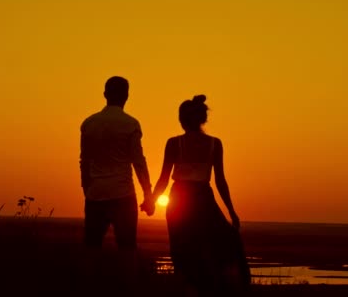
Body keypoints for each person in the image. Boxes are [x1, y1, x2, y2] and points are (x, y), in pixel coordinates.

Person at [149, 95, 251, 296]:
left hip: (180, 198)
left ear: (181, 120)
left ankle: (194, 287)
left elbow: (163, 179)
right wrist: (231, 211)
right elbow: (220, 181)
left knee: (182, 246)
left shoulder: (174, 143)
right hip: (202, 198)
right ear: (202, 119)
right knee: (218, 242)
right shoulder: (214, 143)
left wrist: (152, 200)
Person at [79, 76, 154, 290]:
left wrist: (87, 189)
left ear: (105, 94)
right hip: (123, 195)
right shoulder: (130, 124)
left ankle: (87, 289)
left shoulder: (89, 124)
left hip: (95, 195)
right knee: (127, 249)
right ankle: (128, 290)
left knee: (91, 247)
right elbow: (138, 162)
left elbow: (84, 161)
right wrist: (148, 194)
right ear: (127, 96)